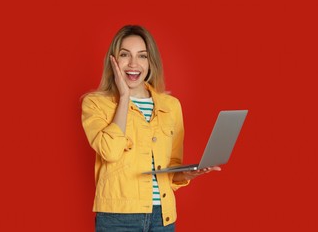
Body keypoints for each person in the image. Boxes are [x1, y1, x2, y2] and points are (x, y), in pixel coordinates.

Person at [81, 25, 221, 231]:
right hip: (118, 218)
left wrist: (188, 174)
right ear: (113, 60)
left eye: (142, 56)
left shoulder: (171, 106)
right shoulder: (95, 103)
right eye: (124, 55)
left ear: (150, 62)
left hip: (163, 217)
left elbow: (171, 167)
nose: (133, 64)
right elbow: (110, 151)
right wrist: (124, 97)